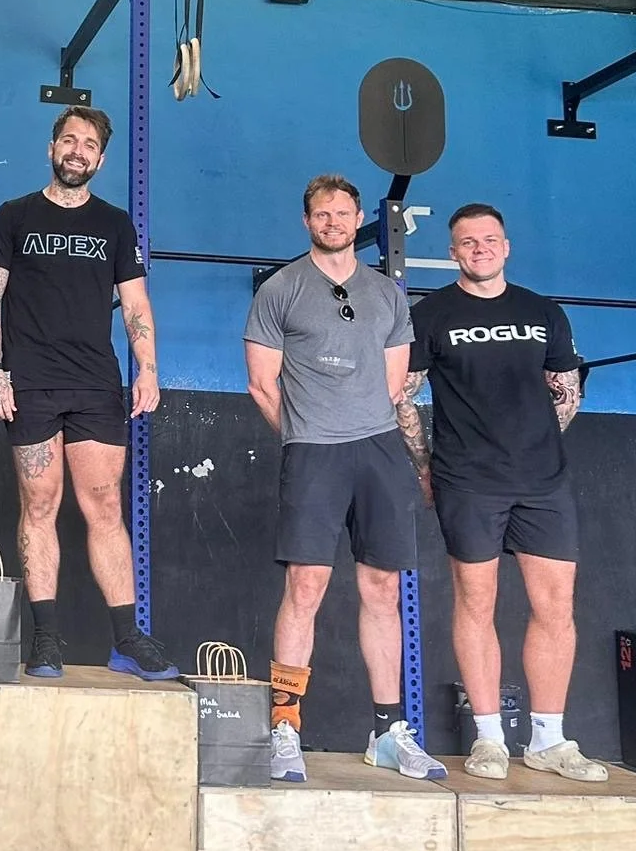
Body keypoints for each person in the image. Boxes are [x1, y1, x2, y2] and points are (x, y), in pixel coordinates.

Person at [244, 173, 444, 782]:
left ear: (357, 220)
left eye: (343, 213)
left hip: (379, 452)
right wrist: (308, 431)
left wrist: (359, 425)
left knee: (383, 590)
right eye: (322, 214)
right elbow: (261, 382)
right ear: (307, 221)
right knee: (306, 587)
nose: (333, 222)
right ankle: (285, 728)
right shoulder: (280, 290)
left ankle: (388, 732)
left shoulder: (386, 294)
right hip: (313, 454)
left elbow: (392, 381)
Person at [397, 203, 606, 781]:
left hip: (543, 482)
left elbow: (565, 388)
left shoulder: (543, 311)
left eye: (489, 240)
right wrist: (425, 466)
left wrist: (538, 440)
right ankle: (488, 736)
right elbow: (403, 395)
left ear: (506, 247)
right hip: (467, 480)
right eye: (467, 242)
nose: (480, 249)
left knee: (555, 607)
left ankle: (548, 738)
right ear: (454, 251)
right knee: (475, 603)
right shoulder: (432, 314)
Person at [0, 106, 175, 680]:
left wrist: (148, 370)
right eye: (69, 140)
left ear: (100, 158)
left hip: (96, 383)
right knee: (39, 505)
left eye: (89, 144)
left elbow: (136, 305)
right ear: (51, 148)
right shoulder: (14, 216)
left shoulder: (115, 224)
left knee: (105, 507)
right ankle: (45, 639)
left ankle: (127, 640)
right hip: (30, 382)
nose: (77, 150)